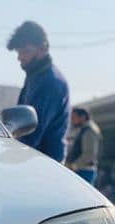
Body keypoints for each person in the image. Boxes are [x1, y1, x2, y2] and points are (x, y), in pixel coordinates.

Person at [7, 20, 70, 162]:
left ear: (43, 48)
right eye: (18, 52)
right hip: (34, 159)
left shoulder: (51, 82)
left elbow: (31, 133)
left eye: (25, 51)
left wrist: (8, 158)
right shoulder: (35, 76)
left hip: (44, 165)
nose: (20, 57)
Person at [66, 107, 101, 185]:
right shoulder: (82, 129)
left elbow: (89, 154)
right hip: (79, 170)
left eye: (74, 117)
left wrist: (74, 166)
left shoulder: (89, 130)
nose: (72, 120)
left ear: (83, 117)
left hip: (84, 171)